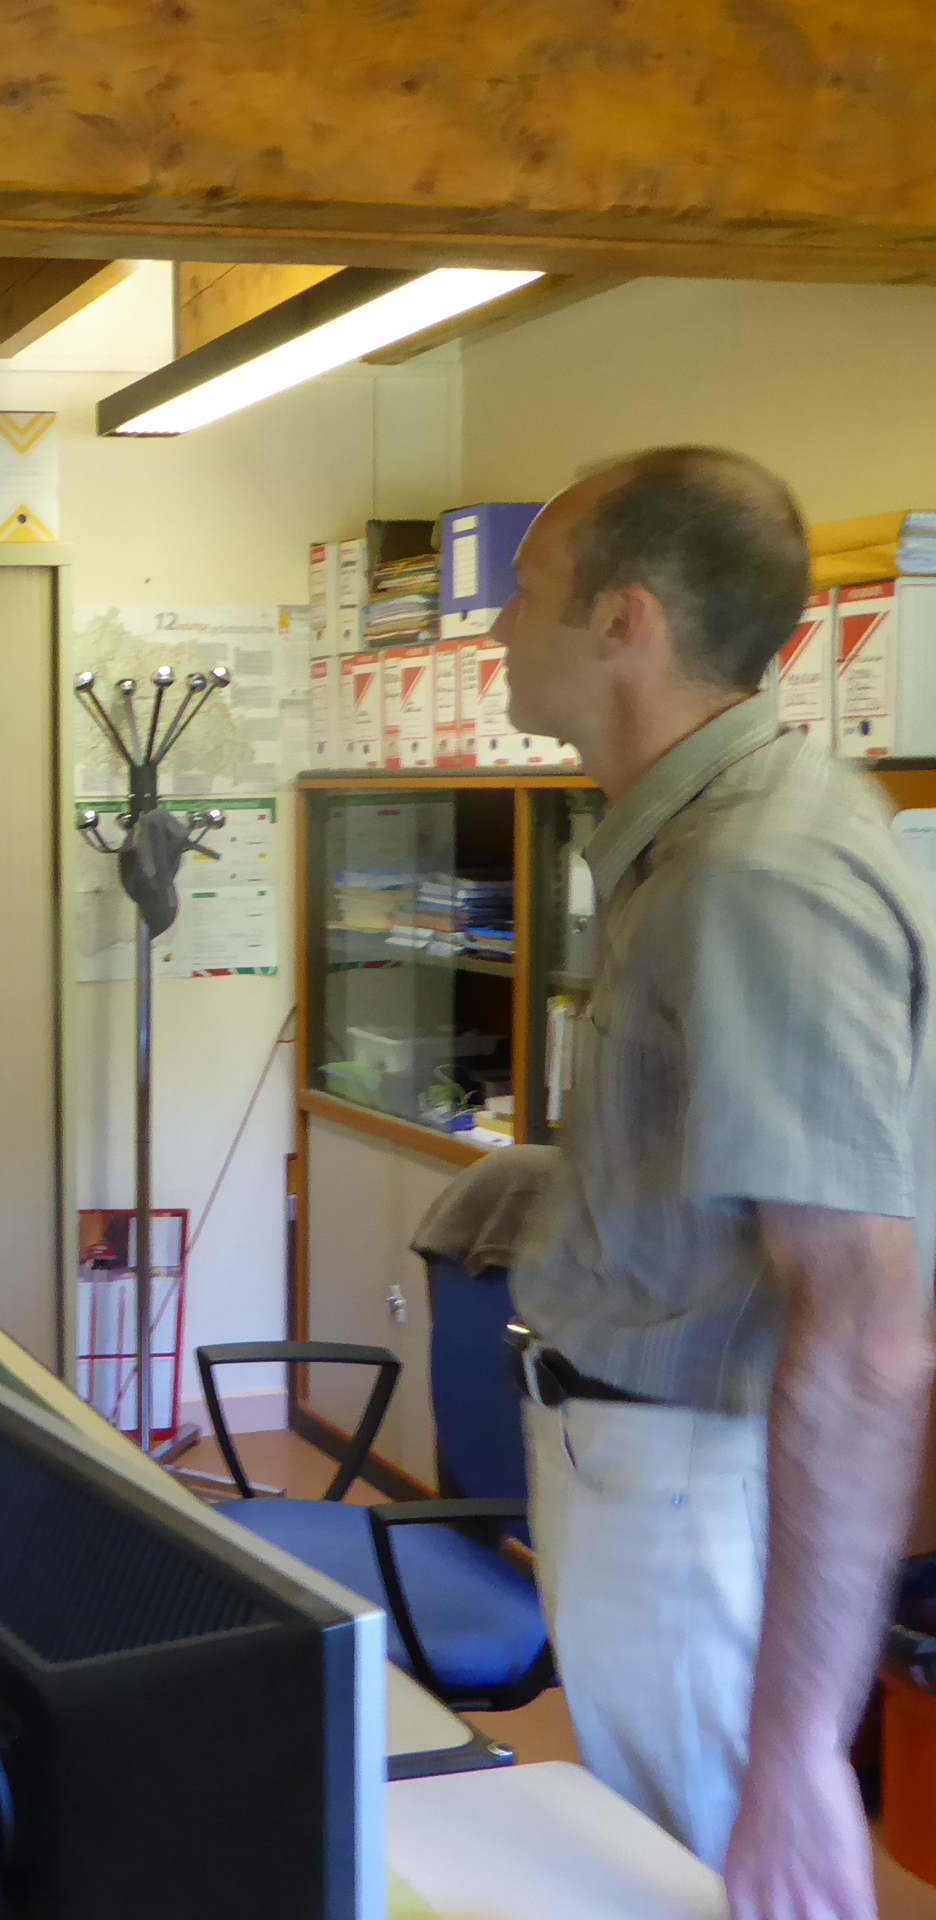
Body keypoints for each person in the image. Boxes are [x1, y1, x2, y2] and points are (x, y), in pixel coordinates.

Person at [499, 446, 936, 1915]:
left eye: (525, 590)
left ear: (623, 621)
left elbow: (868, 1325)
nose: (497, 625)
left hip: (694, 1493)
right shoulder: (694, 833)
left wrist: (800, 1747)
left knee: (705, 1877)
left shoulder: (755, 873)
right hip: (636, 1457)